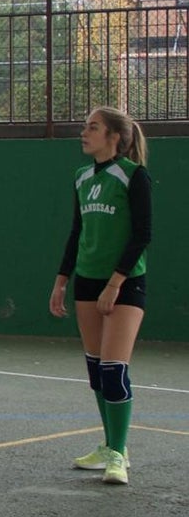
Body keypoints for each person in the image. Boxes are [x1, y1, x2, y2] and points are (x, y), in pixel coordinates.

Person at [49, 107, 151, 486]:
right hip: (87, 283)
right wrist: (62, 280)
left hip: (124, 284)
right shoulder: (81, 178)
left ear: (114, 137)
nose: (84, 133)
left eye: (93, 128)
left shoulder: (133, 176)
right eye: (84, 127)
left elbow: (143, 234)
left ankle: (120, 455)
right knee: (96, 371)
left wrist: (115, 283)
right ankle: (110, 445)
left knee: (114, 370)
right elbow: (77, 233)